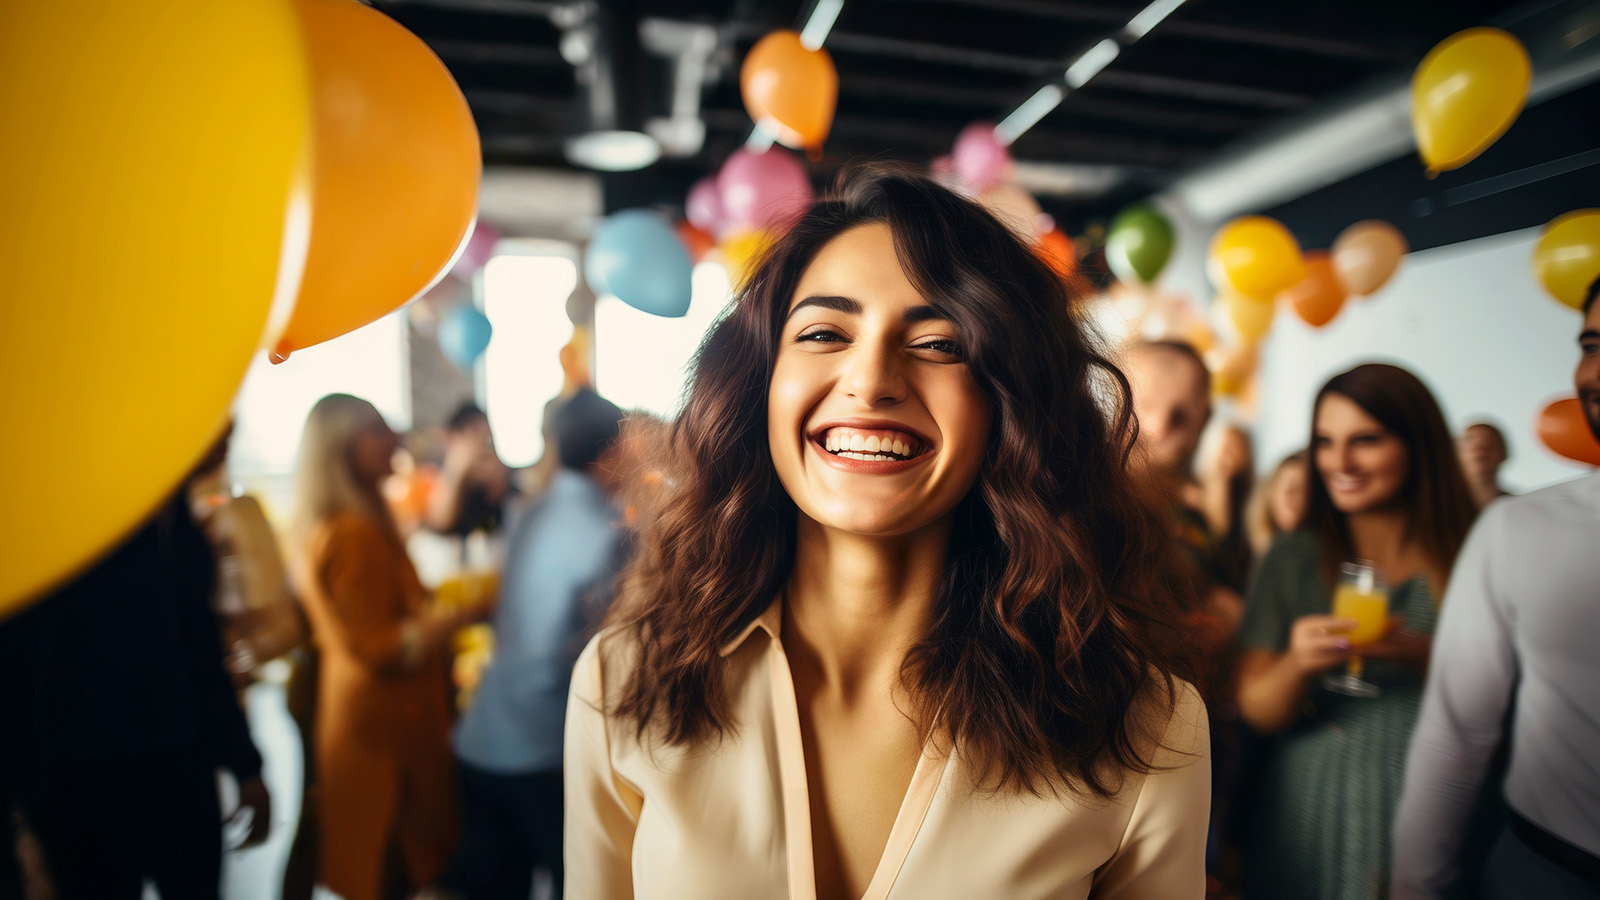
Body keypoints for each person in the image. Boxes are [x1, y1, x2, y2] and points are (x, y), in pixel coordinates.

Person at [564, 165, 1209, 900]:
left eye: (940, 344)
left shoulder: (1148, 727)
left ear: (1011, 409)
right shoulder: (624, 680)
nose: (870, 380)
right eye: (823, 333)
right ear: (761, 385)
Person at [1234, 363, 1476, 900]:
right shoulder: (1294, 558)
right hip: (1307, 811)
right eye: (1325, 442)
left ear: (1419, 445)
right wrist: (1298, 662)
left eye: (1365, 440)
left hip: (1438, 806)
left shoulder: (1471, 552)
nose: (1339, 463)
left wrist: (1425, 656)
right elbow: (1255, 708)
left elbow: (1520, 701)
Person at [1391, 282, 1600, 900]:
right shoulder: (1519, 528)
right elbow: (1456, 733)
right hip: (1545, 873)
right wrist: (1415, 888)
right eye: (1591, 343)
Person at [0, 475, 270, 899]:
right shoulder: (58, 534)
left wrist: (245, 764)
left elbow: (199, 654)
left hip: (169, 767)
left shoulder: (171, 522)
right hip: (85, 780)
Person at [442, 389, 630, 900]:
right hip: (542, 742)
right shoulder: (608, 534)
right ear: (611, 452)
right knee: (579, 882)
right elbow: (609, 656)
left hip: (484, 731)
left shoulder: (530, 510)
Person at [290, 394, 479, 900]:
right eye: (376, 430)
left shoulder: (347, 521)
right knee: (388, 862)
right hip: (383, 731)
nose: (393, 437)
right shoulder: (354, 533)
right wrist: (466, 615)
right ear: (341, 448)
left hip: (365, 717)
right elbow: (381, 647)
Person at [427, 402, 517, 540]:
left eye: (485, 435)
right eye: (473, 433)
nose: (480, 442)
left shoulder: (497, 472)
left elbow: (497, 520)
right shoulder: (438, 477)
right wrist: (459, 468)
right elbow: (440, 523)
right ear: (452, 438)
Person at [1246, 451, 1309, 561]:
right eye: (1290, 488)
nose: (1296, 498)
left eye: (1305, 489)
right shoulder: (1247, 554)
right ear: (1270, 494)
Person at [1456, 421, 1511, 510]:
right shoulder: (1439, 505)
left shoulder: (1515, 506)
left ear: (1503, 452)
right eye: (1470, 440)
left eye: (1489, 445)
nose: (1480, 448)